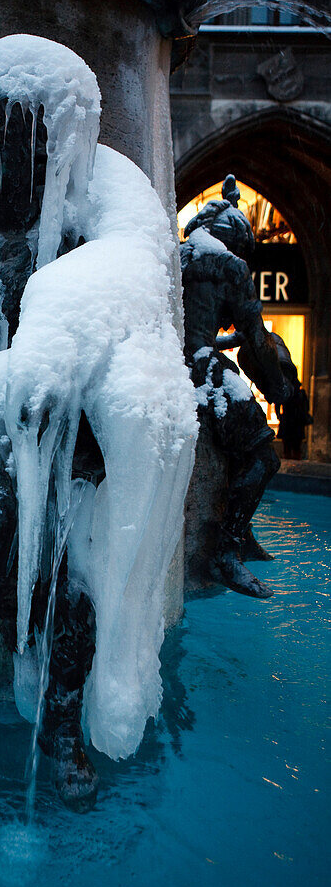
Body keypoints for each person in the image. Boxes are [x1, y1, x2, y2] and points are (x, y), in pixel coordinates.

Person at [181, 175, 290, 598]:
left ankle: (241, 537)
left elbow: (197, 328)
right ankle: (225, 552)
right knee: (264, 457)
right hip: (200, 372)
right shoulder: (230, 266)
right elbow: (257, 340)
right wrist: (278, 388)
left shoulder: (178, 254)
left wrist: (224, 341)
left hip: (165, 361)